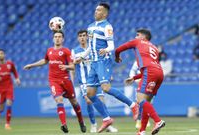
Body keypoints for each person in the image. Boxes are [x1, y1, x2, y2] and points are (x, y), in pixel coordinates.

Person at [75, 2, 139, 133]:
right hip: (93, 62)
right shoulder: (90, 27)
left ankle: (133, 105)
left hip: (103, 61)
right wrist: (82, 56)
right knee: (90, 94)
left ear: (105, 13)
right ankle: (106, 119)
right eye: (96, 10)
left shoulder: (107, 26)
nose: (95, 12)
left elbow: (111, 46)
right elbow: (90, 47)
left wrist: (106, 50)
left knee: (106, 88)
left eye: (98, 10)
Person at [23, 31, 86, 133]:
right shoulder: (49, 51)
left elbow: (72, 66)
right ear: (53, 39)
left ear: (63, 39)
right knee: (59, 100)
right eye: (56, 37)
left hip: (65, 80)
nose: (57, 38)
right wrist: (32, 65)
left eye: (59, 37)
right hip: (54, 81)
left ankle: (81, 122)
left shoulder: (66, 51)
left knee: (74, 102)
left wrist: (66, 66)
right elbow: (45, 61)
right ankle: (64, 124)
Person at [115, 28, 166, 135]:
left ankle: (158, 121)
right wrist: (134, 78)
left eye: (137, 35)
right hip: (159, 73)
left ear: (143, 37)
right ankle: (142, 131)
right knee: (145, 103)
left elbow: (118, 49)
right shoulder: (154, 47)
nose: (135, 37)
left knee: (140, 100)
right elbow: (151, 67)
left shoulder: (137, 42)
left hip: (150, 72)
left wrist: (117, 57)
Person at [70, 30, 118, 133]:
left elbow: (102, 61)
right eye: (80, 36)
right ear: (78, 38)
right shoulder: (74, 51)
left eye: (84, 35)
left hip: (96, 77)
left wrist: (107, 74)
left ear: (87, 37)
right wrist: (72, 81)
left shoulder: (92, 48)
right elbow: (73, 67)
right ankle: (93, 124)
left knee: (101, 100)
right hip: (84, 81)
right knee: (88, 100)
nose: (82, 38)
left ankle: (107, 124)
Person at [0, 49, 21, 130]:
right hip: (0, 89)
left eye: (2, 53)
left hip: (9, 87)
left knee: (9, 103)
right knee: (1, 107)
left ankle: (7, 124)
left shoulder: (10, 64)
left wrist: (17, 78)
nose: (0, 55)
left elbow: (14, 71)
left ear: (4, 55)